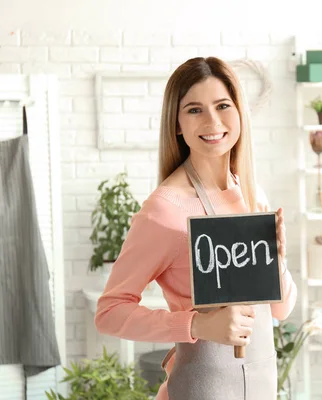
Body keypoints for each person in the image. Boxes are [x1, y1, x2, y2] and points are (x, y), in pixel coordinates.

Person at [95, 57, 298, 400]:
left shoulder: (250, 193)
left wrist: (276, 260)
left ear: (239, 112)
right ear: (176, 123)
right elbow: (109, 313)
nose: (213, 121)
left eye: (223, 106)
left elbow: (281, 310)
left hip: (261, 384)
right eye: (194, 110)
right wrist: (197, 324)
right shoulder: (164, 209)